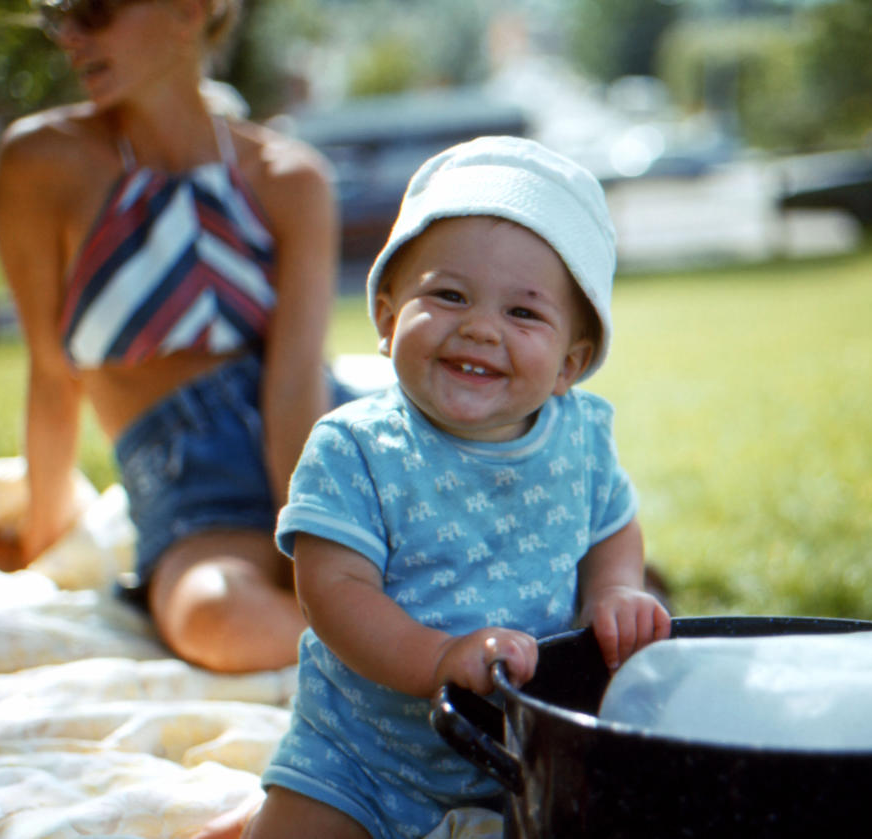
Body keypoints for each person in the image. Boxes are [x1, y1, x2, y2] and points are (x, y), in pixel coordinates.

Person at [242, 136, 671, 839]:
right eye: (448, 295)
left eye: (523, 312)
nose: (478, 327)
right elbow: (333, 591)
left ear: (571, 362)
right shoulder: (356, 446)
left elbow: (611, 527)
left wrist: (613, 590)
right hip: (362, 760)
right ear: (387, 318)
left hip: (524, 756)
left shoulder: (582, 437)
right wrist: (438, 658)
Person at [0, 0, 345, 673]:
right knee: (218, 617)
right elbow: (50, 374)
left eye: (95, 11)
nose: (70, 34)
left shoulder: (291, 179)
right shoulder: (43, 164)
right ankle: (407, 667)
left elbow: (297, 384)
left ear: (190, 10)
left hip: (316, 452)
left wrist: (325, 544)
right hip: (190, 488)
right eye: (62, 14)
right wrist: (41, 553)